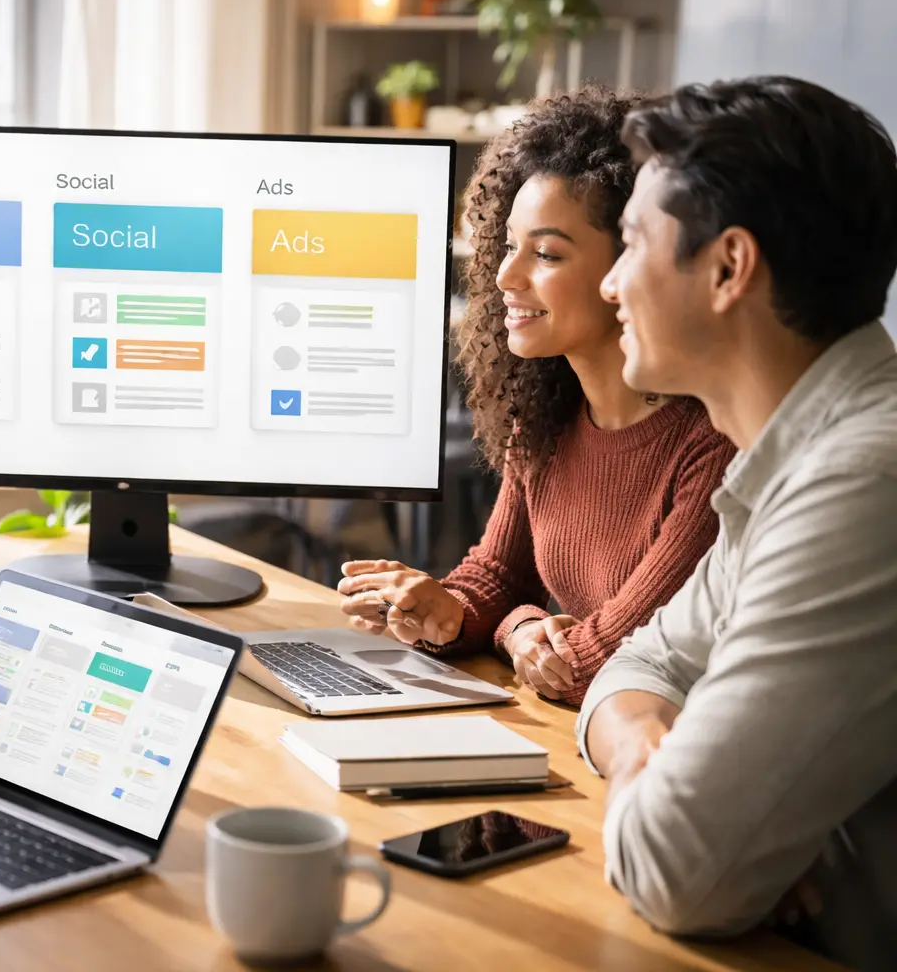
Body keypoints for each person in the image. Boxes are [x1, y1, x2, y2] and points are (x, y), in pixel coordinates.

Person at [579, 75, 897, 967]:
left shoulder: (860, 484)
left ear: (727, 268)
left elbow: (678, 871)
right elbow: (639, 664)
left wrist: (675, 806)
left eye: (632, 243)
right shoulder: (792, 455)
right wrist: (646, 741)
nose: (609, 283)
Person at [336, 88, 734, 704]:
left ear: (635, 265)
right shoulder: (546, 419)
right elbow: (497, 577)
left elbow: (611, 659)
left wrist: (521, 630)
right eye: (510, 244)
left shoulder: (711, 444)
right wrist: (445, 610)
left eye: (546, 253)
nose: (505, 276)